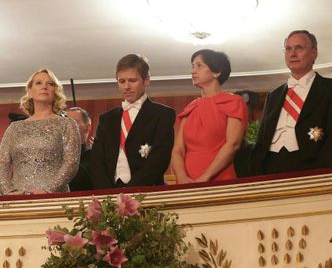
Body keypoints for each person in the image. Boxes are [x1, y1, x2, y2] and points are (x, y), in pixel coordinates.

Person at [250, 30, 332, 175]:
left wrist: (323, 173)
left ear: (314, 54)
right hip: (269, 168)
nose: (292, 53)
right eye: (288, 49)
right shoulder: (273, 95)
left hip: (310, 166)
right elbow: (261, 140)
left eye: (299, 48)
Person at [90, 54, 176, 188]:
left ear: (146, 80)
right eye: (122, 81)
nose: (126, 87)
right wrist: (107, 193)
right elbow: (96, 160)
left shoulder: (163, 114)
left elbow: (160, 158)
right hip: (109, 193)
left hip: (146, 190)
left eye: (132, 80)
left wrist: (131, 191)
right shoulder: (107, 119)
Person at [0, 68, 80, 195]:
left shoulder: (67, 124)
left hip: (53, 197)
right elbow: (1, 163)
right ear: (30, 90)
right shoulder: (14, 128)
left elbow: (71, 162)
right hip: (18, 199)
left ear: (55, 91)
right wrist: (9, 193)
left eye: (50, 84)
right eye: (39, 83)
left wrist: (48, 190)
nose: (44, 86)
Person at [171, 50, 247, 183]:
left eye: (199, 66)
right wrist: (182, 178)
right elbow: (178, 150)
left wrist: (206, 176)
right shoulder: (191, 107)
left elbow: (233, 144)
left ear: (216, 72)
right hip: (187, 182)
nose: (193, 71)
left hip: (220, 180)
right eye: (192, 66)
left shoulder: (234, 102)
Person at [66, 107, 93, 191]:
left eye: (74, 122)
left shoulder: (94, 156)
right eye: (66, 122)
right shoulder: (56, 155)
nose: (68, 126)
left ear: (87, 127)